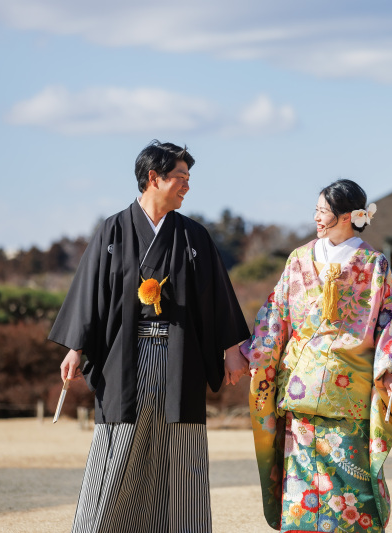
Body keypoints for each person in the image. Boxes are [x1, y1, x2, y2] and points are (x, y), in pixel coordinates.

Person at [49, 140, 251, 533]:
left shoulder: (194, 236)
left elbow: (216, 298)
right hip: (124, 357)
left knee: (179, 445)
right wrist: (76, 348)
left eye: (189, 178)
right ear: (153, 178)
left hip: (180, 357)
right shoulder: (113, 230)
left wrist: (231, 350)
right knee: (120, 444)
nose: (186, 186)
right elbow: (91, 293)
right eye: (180, 178)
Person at [226, 179, 392, 532]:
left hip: (349, 389)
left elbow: (388, 319)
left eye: (323, 211)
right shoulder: (299, 259)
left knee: (351, 481)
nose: (316, 217)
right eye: (316, 210)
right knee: (301, 485)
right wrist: (250, 354)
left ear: (347, 216)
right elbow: (276, 315)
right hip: (299, 385)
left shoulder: (374, 263)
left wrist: (391, 368)